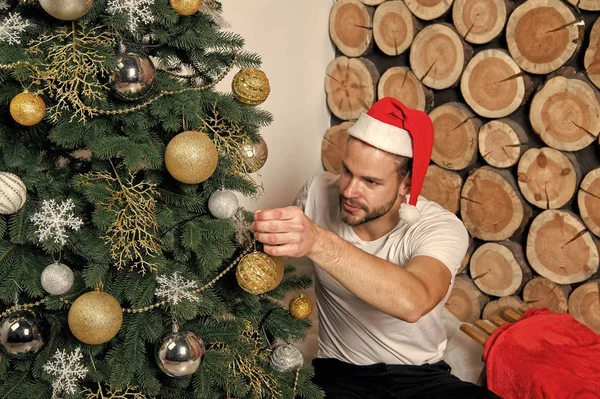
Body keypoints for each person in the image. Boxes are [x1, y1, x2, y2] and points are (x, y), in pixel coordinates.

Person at [253, 97, 500, 399]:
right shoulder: (317, 193)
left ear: (407, 185)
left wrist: (318, 241)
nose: (349, 191)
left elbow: (414, 301)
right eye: (347, 172)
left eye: (370, 181)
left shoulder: (440, 227)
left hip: (421, 378)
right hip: (340, 374)